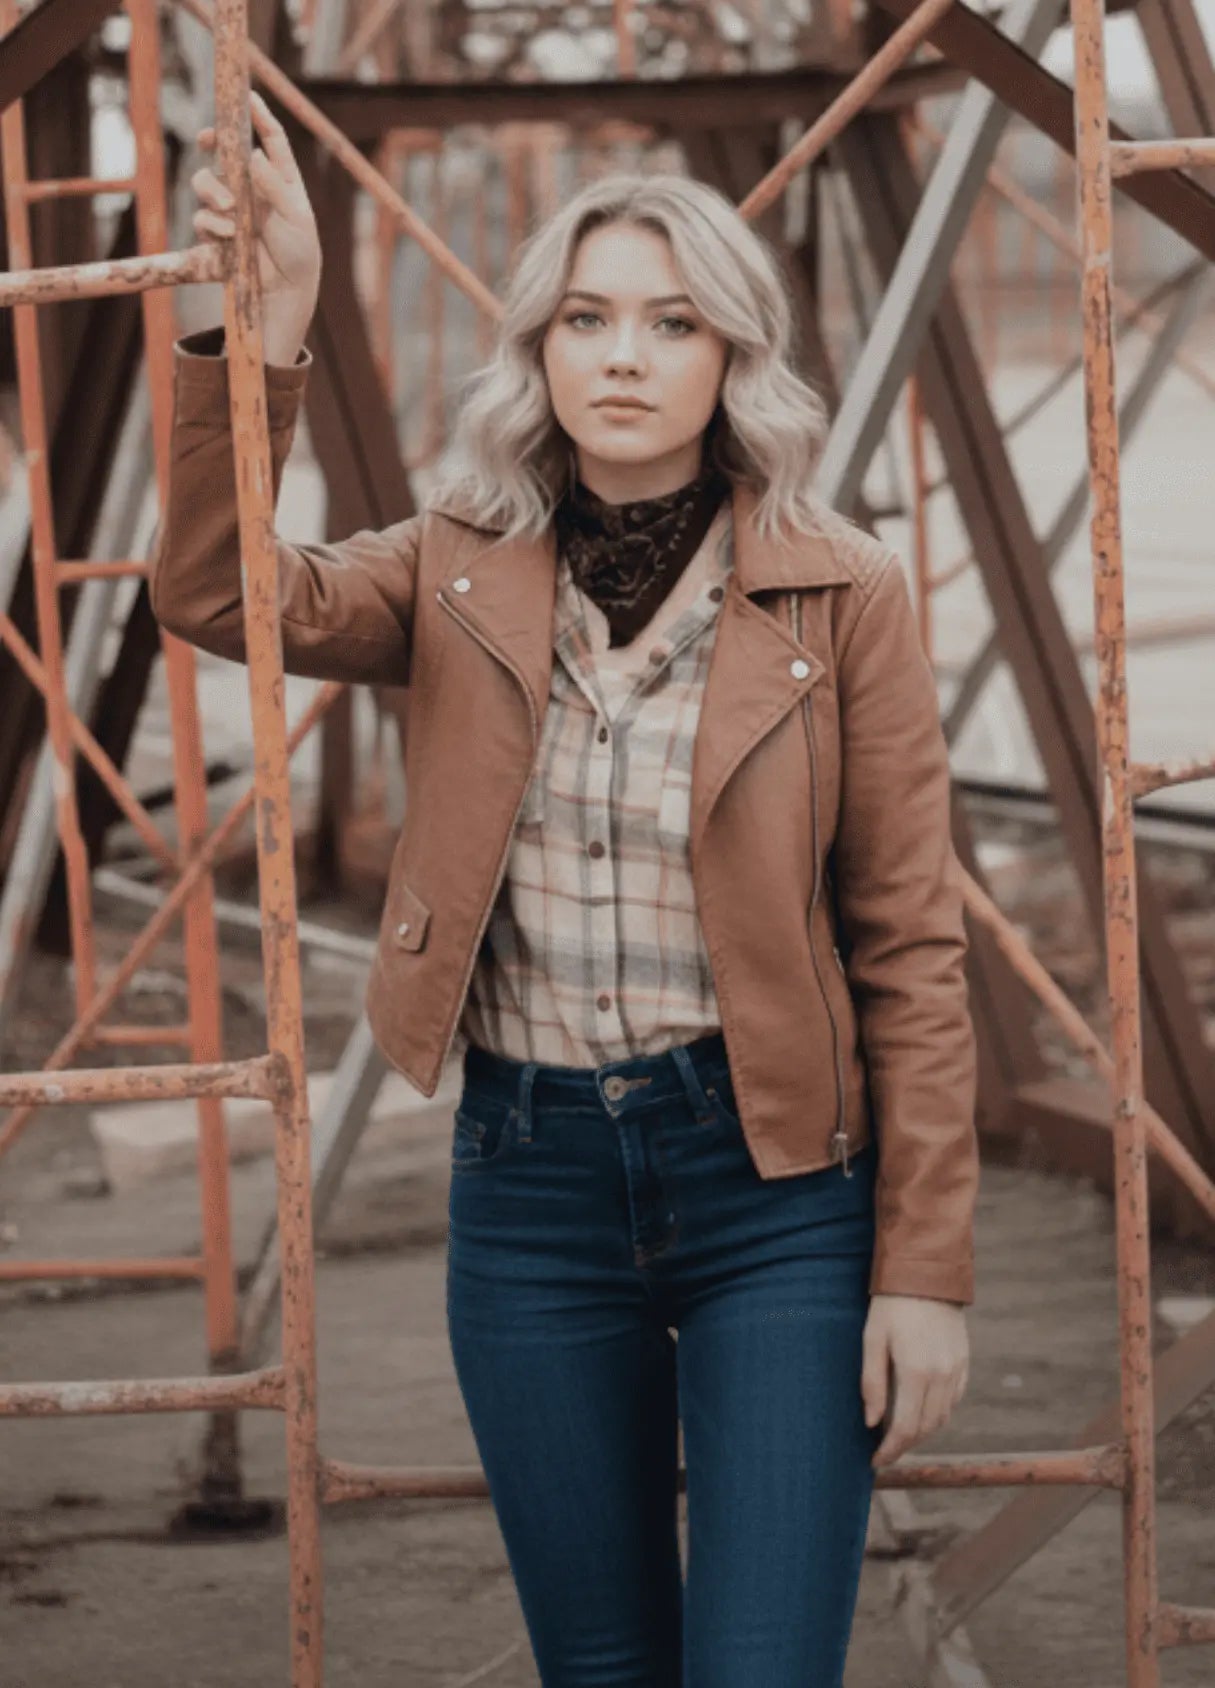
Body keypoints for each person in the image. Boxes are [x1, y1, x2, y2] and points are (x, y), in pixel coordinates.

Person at [152, 89, 979, 1688]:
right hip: (528, 1193)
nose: (622, 354)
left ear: (734, 354)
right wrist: (262, 336)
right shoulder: (459, 564)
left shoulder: (841, 586)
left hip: (778, 1196)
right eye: (585, 316)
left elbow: (911, 947)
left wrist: (926, 1270)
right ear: (537, 348)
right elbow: (215, 593)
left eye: (671, 322)